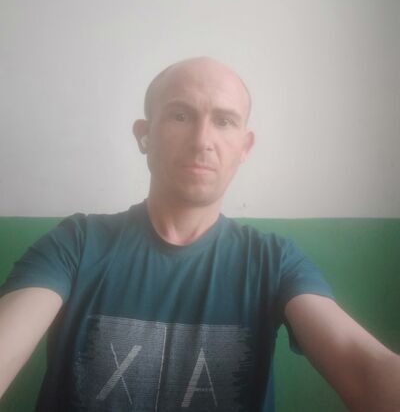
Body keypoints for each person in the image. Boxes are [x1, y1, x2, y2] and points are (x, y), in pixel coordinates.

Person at [0, 56, 399, 411]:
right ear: (144, 134)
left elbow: (362, 365)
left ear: (244, 146)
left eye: (224, 121)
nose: (202, 141)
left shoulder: (273, 261)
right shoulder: (76, 243)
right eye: (180, 115)